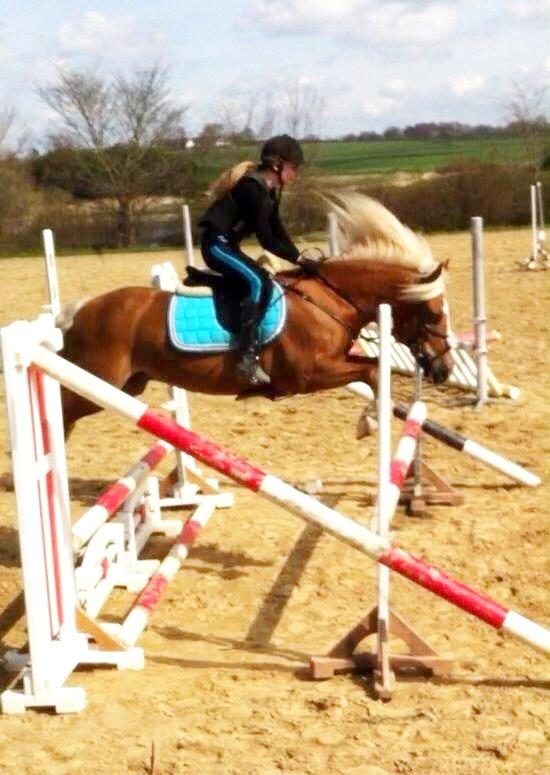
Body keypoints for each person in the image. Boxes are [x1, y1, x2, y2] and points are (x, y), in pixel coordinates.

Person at [198, 134, 305, 387]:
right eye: (294, 168)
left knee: (261, 280)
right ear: (277, 165)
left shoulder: (268, 192)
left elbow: (278, 231)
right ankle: (247, 359)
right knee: (260, 282)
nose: (295, 174)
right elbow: (267, 240)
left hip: (226, 246)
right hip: (216, 246)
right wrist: (296, 259)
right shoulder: (252, 189)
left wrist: (299, 256)